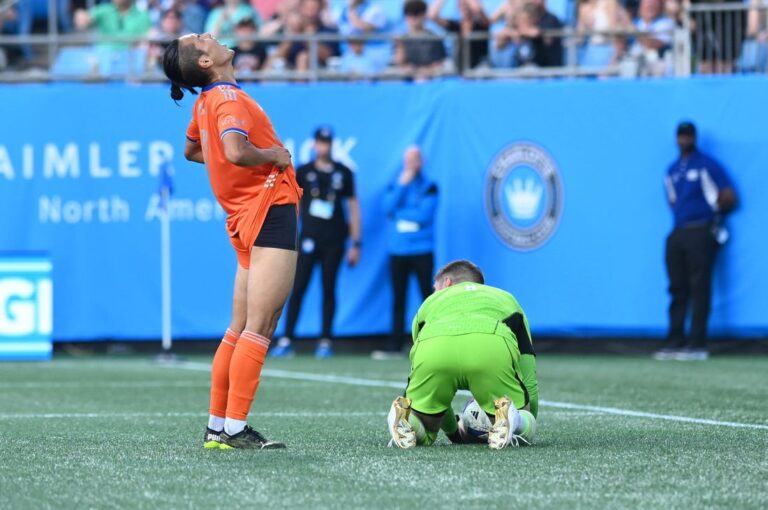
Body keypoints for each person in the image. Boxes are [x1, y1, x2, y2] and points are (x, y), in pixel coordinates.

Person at [162, 32, 302, 449]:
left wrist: (236, 159)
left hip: (244, 218)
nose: (212, 36)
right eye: (203, 39)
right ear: (206, 62)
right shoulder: (227, 98)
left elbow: (192, 150)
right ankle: (236, 429)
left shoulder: (206, 100)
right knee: (261, 326)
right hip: (269, 210)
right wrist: (274, 155)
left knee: (239, 327)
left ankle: (217, 426)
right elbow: (237, 151)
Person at [387, 260, 539, 449]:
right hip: (490, 346)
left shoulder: (429, 304)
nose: (434, 292)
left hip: (434, 347)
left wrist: (454, 433)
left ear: (447, 282)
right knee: (520, 418)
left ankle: (406, 421)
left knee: (424, 430)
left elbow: (422, 367)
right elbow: (529, 375)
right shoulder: (505, 298)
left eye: (435, 288)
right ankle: (512, 419)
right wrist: (528, 413)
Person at [272, 126, 362, 359]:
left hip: (334, 239)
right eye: (321, 142)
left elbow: (353, 207)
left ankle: (325, 340)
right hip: (309, 238)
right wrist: (290, 238)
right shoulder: (303, 170)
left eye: (328, 142)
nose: (324, 146)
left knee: (329, 288)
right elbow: (295, 205)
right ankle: (287, 338)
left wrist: (356, 242)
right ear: (314, 144)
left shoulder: (344, 172)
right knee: (299, 287)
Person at [654, 122, 737, 362]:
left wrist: (713, 215)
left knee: (700, 286)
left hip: (701, 229)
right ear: (676, 138)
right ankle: (675, 339)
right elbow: (672, 201)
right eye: (681, 135)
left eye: (688, 136)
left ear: (694, 138)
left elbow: (729, 196)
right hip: (679, 230)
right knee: (677, 287)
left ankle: (697, 343)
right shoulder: (671, 170)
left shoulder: (706, 164)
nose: (684, 140)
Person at [372, 146, 437, 360]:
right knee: (398, 298)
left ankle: (431, 342)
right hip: (398, 250)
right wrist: (402, 185)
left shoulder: (430, 186)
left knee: (427, 299)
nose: (410, 163)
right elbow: (388, 207)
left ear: (421, 161)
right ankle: (395, 345)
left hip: (422, 250)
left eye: (414, 159)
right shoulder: (396, 183)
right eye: (407, 159)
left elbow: (425, 215)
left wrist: (401, 213)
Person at [428, 0, 491, 70]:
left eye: (466, 5)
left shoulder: (481, 24)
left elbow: (478, 9)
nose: (464, 7)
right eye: (461, 5)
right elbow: (433, 16)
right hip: (458, 67)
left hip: (479, 67)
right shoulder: (456, 26)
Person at [395, 0, 447, 80]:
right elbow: (400, 63)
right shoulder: (401, 39)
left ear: (424, 15)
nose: (413, 17)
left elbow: (439, 63)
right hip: (409, 80)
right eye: (409, 13)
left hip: (430, 79)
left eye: (416, 13)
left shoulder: (434, 38)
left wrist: (424, 72)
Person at [74, 0, 152, 49]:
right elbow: (85, 18)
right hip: (103, 62)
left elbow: (147, 40)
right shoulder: (104, 10)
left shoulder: (143, 16)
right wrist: (82, 17)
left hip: (130, 64)